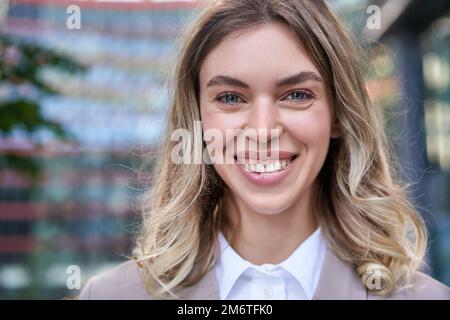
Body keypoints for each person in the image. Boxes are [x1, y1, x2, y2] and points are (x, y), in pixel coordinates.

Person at [79, 0, 450, 300]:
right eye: (230, 98)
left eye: (297, 95)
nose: (262, 130)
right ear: (197, 120)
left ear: (338, 115)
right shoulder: (111, 295)